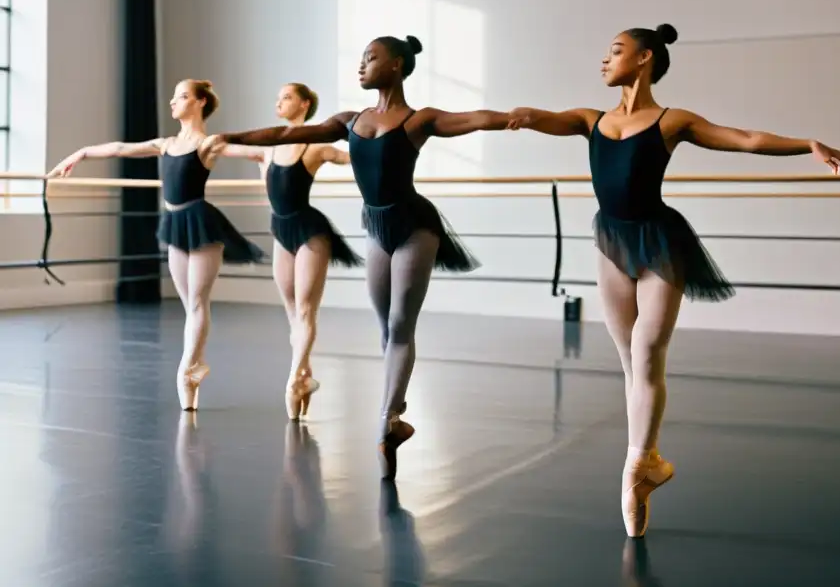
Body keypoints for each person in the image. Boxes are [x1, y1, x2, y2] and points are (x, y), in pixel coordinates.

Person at [507, 23, 840, 538]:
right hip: (611, 244)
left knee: (648, 353)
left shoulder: (673, 121)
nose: (605, 60)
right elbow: (541, 118)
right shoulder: (591, 119)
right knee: (630, 362)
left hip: (661, 244)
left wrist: (808, 144)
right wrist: (515, 117)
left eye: (616, 51)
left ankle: (633, 466)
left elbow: (746, 139)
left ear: (645, 58)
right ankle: (647, 463)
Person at [215, 35, 510, 479]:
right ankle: (395, 412)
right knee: (384, 329)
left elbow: (473, 118)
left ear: (395, 65)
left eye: (371, 58)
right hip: (376, 228)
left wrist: (515, 118)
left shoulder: (417, 119)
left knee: (399, 324)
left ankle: (387, 419)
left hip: (415, 226)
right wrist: (229, 137)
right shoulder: (348, 121)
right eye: (360, 59)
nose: (361, 65)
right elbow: (283, 134)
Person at [47, 79, 266, 412]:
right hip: (175, 222)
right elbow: (121, 147)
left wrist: (267, 171)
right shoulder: (165, 144)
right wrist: (80, 154)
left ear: (200, 102)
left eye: (181, 97)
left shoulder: (208, 144)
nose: (172, 102)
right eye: (173, 97)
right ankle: (194, 369)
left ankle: (188, 368)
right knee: (188, 304)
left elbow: (255, 152)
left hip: (201, 221)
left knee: (197, 301)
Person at [250, 82, 362, 421]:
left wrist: (379, 143)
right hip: (280, 231)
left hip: (310, 231)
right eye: (278, 96)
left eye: (286, 97)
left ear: (304, 105)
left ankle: (292, 381)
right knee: (291, 313)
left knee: (305, 310)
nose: (278, 102)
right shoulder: (267, 147)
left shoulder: (314, 145)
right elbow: (227, 147)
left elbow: (352, 157)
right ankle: (304, 377)